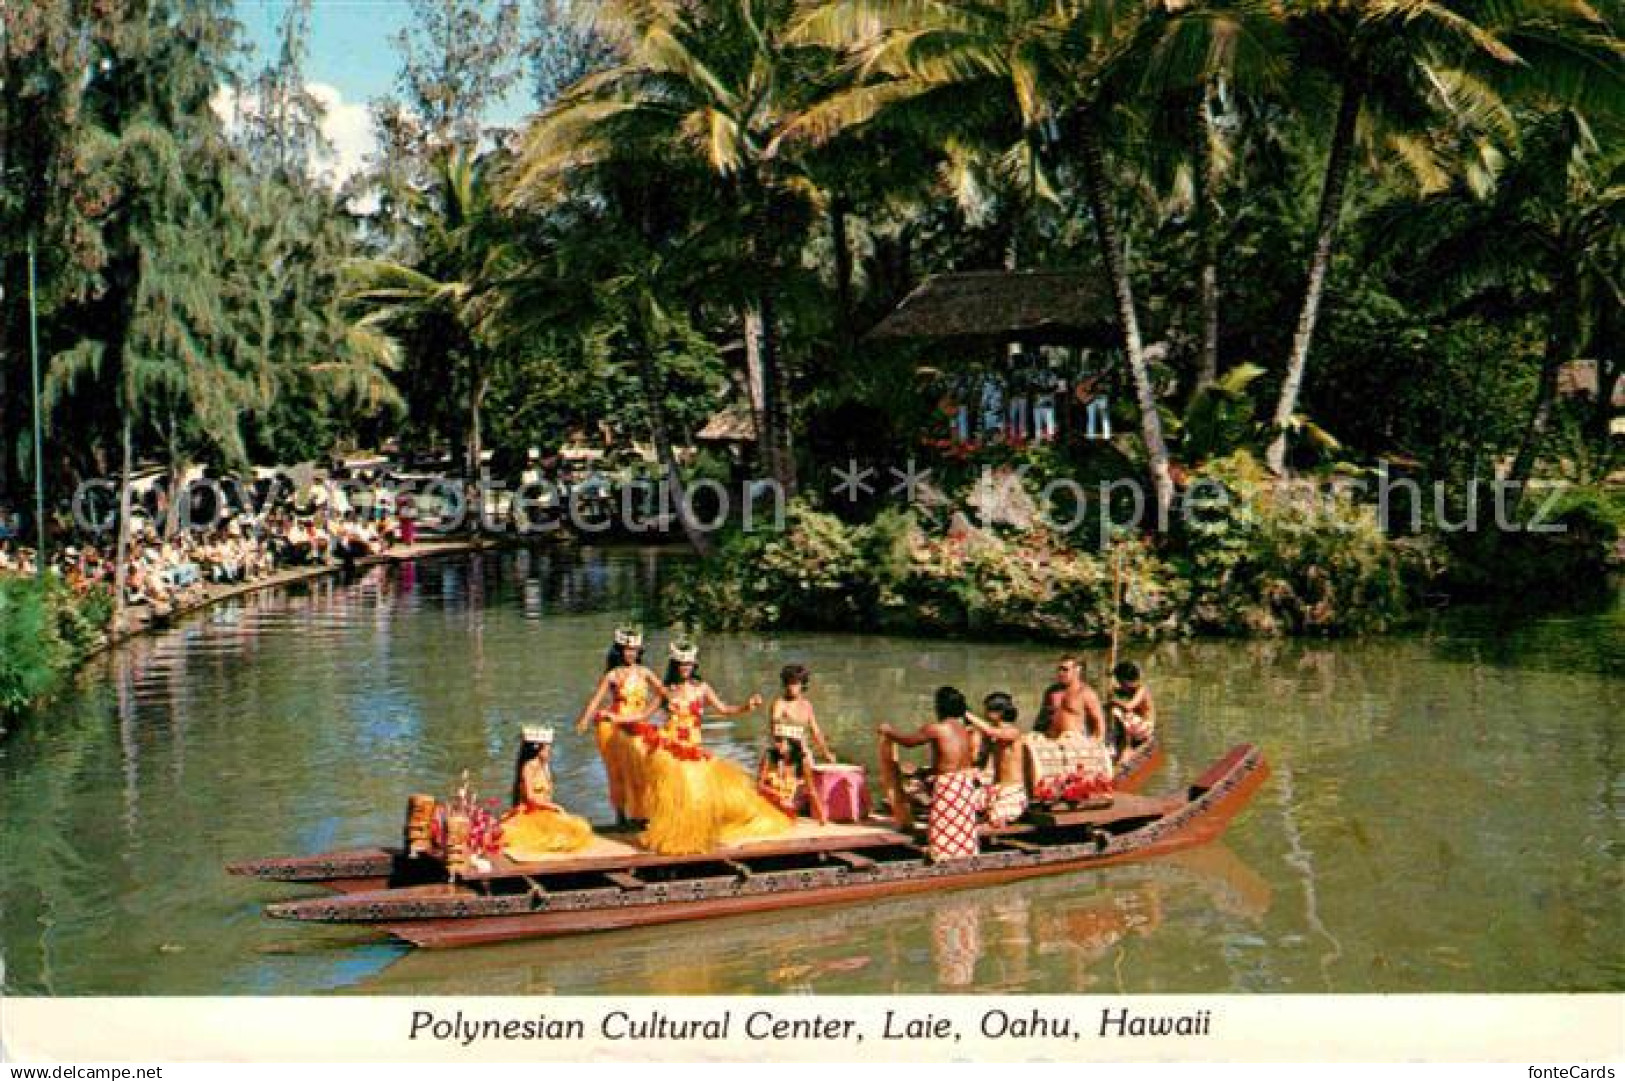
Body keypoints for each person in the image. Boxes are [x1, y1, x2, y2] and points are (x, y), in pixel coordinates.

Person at [637, 641, 791, 856]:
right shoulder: (667, 691)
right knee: (677, 798)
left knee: (698, 795)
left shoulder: (702, 688)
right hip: (670, 751)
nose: (685, 668)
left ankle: (693, 834)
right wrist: (615, 717)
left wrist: (746, 707)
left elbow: (724, 709)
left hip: (693, 749)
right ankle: (677, 835)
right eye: (681, 665)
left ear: (694, 666)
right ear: (674, 665)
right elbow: (643, 715)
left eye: (689, 665)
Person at [574, 627, 665, 828]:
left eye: (635, 650)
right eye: (627, 649)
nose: (631, 653)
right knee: (618, 773)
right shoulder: (613, 675)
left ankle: (642, 814)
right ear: (620, 651)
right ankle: (621, 816)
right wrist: (585, 720)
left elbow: (663, 692)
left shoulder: (645, 672)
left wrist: (649, 712)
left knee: (642, 771)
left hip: (639, 726)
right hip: (616, 729)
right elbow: (595, 700)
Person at [879, 686, 981, 861]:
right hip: (964, 783)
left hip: (949, 785)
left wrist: (889, 731)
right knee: (959, 824)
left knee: (944, 824)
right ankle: (963, 851)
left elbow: (909, 742)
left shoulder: (936, 728)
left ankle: (944, 854)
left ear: (939, 707)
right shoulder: (964, 730)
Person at [1028, 656, 1114, 805]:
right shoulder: (1051, 691)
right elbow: (1041, 718)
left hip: (1073, 739)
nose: (1060, 673)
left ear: (1077, 670)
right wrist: (1035, 735)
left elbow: (1099, 723)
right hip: (1051, 739)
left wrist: (1097, 744)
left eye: (1065, 670)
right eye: (1059, 669)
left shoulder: (1086, 693)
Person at [500, 726, 594, 860]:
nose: (550, 750)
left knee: (580, 829)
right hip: (531, 813)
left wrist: (551, 808)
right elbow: (531, 797)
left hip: (545, 812)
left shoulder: (545, 766)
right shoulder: (528, 767)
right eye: (547, 747)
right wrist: (553, 806)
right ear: (537, 749)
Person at [758, 664, 834, 823]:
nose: (791, 687)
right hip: (782, 751)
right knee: (766, 785)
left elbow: (816, 731)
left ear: (802, 684)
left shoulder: (807, 705)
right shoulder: (780, 703)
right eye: (789, 683)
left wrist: (826, 752)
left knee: (810, 788)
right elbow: (775, 722)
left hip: (801, 751)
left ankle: (822, 819)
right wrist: (781, 742)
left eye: (795, 683)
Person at [967, 692, 1028, 828]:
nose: (984, 714)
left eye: (986, 710)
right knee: (964, 806)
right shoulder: (992, 736)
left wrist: (966, 714)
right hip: (996, 789)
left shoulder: (1013, 732)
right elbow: (979, 761)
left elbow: (990, 730)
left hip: (1012, 792)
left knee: (993, 820)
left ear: (997, 713)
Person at [1109, 660, 1157, 755]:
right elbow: (1115, 694)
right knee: (1109, 711)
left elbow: (1128, 706)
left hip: (1145, 727)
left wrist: (1113, 701)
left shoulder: (1141, 689)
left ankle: (1126, 747)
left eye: (1121, 681)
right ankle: (1115, 741)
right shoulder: (1126, 689)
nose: (1120, 684)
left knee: (1116, 712)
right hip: (1134, 726)